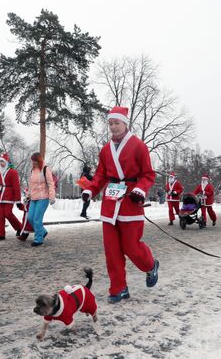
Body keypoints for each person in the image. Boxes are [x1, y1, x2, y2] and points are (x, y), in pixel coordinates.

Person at [81, 106, 159, 303]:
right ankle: (119, 288)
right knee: (112, 250)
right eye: (110, 123)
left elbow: (148, 174)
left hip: (130, 202)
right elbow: (100, 175)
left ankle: (150, 266)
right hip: (110, 204)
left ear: (125, 123)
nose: (113, 127)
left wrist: (140, 190)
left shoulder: (138, 146)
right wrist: (90, 189)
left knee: (131, 247)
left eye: (116, 123)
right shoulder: (106, 150)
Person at [0, 153, 24, 241]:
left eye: (3, 161)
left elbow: (16, 187)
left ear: (7, 162)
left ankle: (20, 228)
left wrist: (18, 201)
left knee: (8, 213)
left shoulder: (13, 172)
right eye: (0, 161)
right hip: (0, 197)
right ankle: (0, 234)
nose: (1, 163)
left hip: (9, 197)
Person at [27, 152, 56, 247]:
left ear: (39, 160)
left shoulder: (45, 169)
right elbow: (31, 185)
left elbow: (51, 183)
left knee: (37, 219)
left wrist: (52, 196)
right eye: (32, 161)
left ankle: (38, 240)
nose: (33, 163)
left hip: (43, 198)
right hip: (33, 198)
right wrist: (28, 195)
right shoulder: (32, 170)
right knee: (30, 218)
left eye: (34, 161)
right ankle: (42, 231)